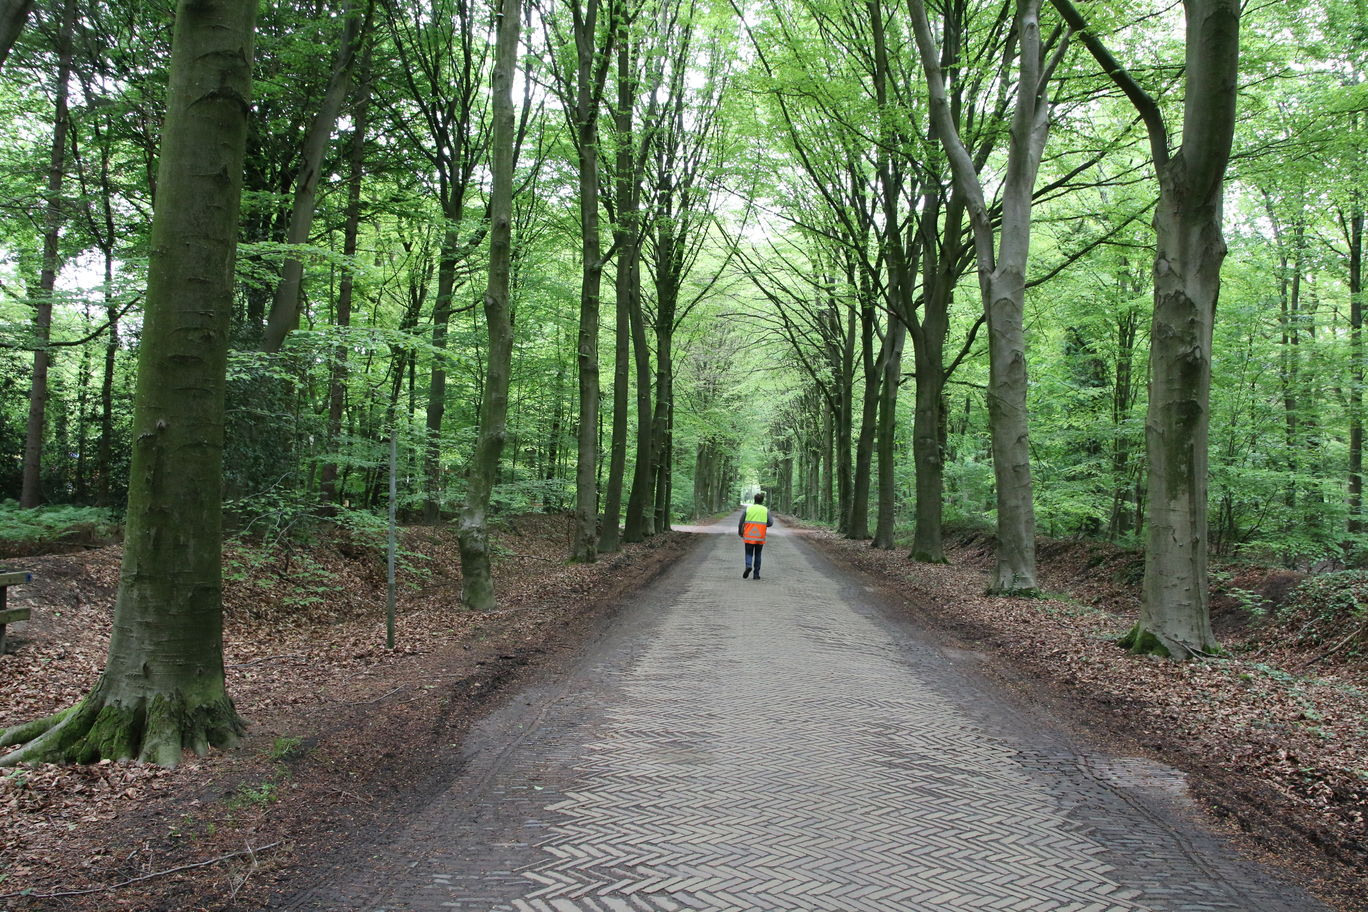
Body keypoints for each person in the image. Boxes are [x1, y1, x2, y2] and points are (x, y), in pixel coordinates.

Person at [738, 491, 773, 579]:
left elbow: (741, 522)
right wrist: (764, 525)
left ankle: (748, 565)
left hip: (749, 536)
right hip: (760, 536)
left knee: (749, 552)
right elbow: (770, 522)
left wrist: (740, 532)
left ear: (754, 500)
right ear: (762, 501)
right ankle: (756, 574)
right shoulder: (765, 510)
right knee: (758, 554)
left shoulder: (748, 509)